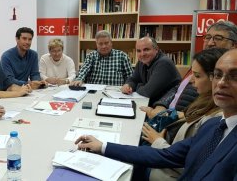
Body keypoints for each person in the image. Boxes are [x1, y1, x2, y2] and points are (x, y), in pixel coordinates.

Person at [75, 48, 237, 180]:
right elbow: (167, 155)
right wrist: (102, 146)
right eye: (217, 75)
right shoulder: (213, 126)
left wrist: (157, 140)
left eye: (234, 76)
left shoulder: (214, 121)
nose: (221, 83)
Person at [141, 48, 226, 180]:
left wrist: (157, 141)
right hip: (166, 151)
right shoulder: (203, 103)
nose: (191, 81)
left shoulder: (216, 119)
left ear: (214, 78)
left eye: (197, 75)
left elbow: (190, 163)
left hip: (167, 170)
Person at [141, 20, 237, 118]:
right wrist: (161, 105)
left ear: (234, 45)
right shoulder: (200, 62)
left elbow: (193, 116)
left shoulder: (220, 83)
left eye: (218, 38)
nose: (211, 43)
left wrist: (165, 117)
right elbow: (178, 87)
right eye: (208, 37)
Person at [121, 36, 181, 105]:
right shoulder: (142, 62)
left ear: (156, 49)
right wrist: (128, 85)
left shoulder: (164, 63)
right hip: (152, 102)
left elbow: (148, 92)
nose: (142, 54)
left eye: (146, 49)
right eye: (139, 51)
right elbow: (133, 79)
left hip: (166, 107)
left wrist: (138, 85)